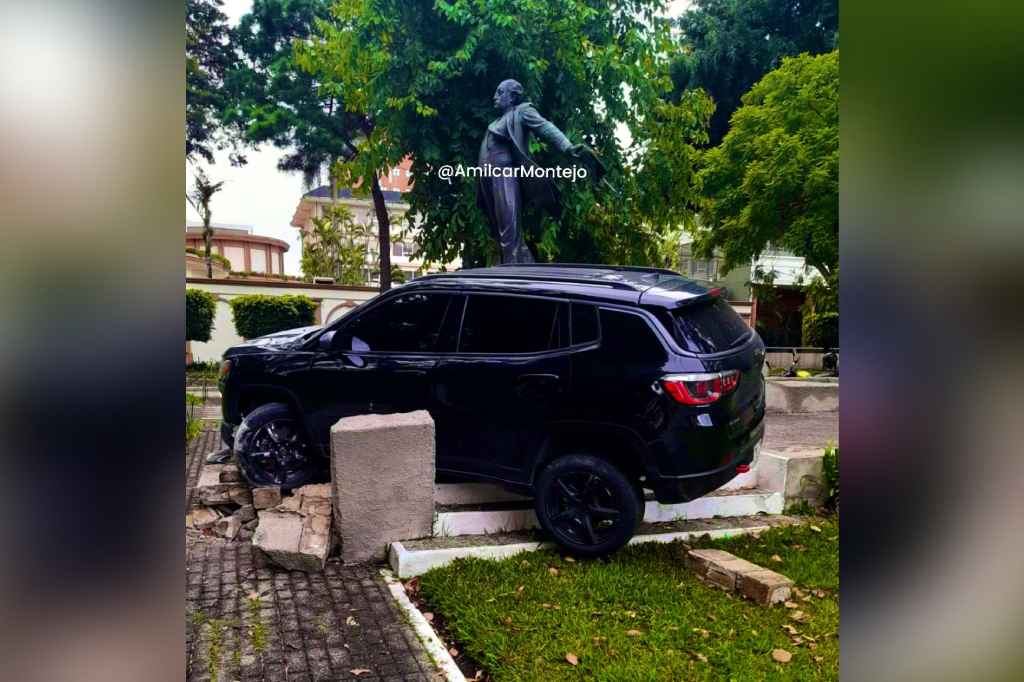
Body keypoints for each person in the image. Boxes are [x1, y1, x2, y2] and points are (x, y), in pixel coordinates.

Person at [476, 79, 598, 263]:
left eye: (500, 92)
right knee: (500, 229)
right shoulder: (496, 121)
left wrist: (567, 146)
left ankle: (511, 274)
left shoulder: (522, 111)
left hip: (505, 174)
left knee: (509, 227)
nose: (495, 96)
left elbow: (545, 127)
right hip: (488, 178)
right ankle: (522, 266)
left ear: (513, 96)